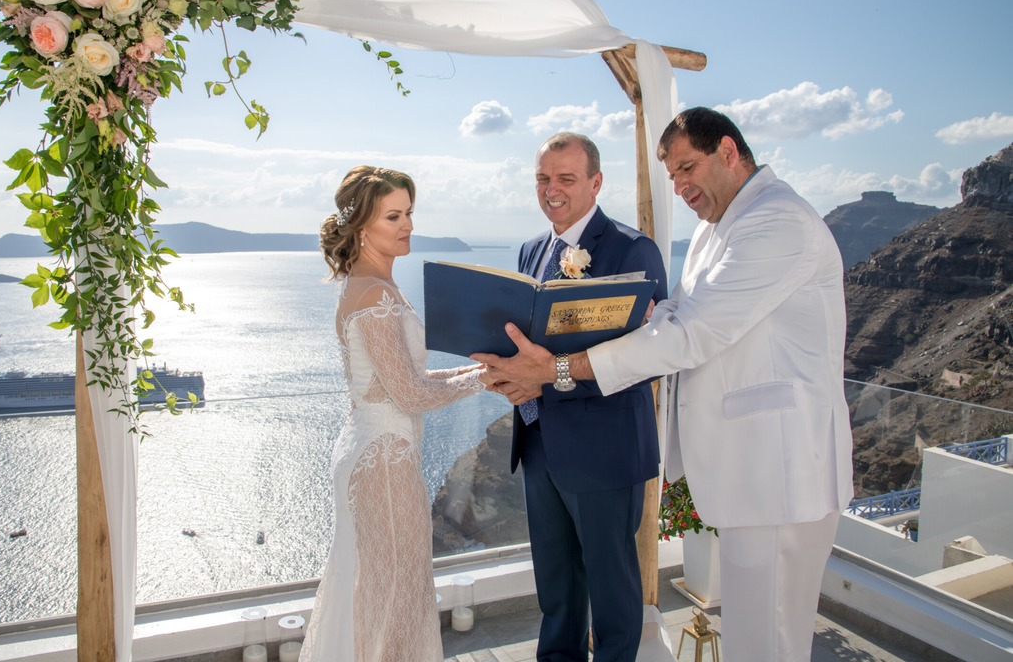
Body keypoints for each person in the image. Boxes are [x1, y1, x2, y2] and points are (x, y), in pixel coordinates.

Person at [475, 109, 855, 662]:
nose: (678, 187)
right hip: (747, 466)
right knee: (751, 633)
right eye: (671, 176)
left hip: (781, 465)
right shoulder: (716, 229)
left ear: (728, 151)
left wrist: (556, 371)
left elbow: (689, 334)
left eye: (686, 168)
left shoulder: (778, 223)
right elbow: (669, 315)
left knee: (769, 636)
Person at [300, 165, 488, 662]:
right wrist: (488, 380)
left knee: (379, 592)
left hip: (374, 450)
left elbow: (406, 384)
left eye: (409, 213)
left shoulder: (371, 285)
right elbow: (410, 395)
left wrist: (479, 369)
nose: (407, 225)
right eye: (393, 216)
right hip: (384, 461)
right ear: (362, 225)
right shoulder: (375, 294)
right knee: (395, 597)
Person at [496, 132, 668, 662]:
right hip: (539, 442)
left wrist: (549, 378)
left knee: (613, 593)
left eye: (566, 179)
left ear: (595, 182)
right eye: (543, 179)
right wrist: (510, 375)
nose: (552, 190)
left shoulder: (633, 251)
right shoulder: (530, 250)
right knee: (556, 589)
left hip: (605, 448)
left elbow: (646, 362)